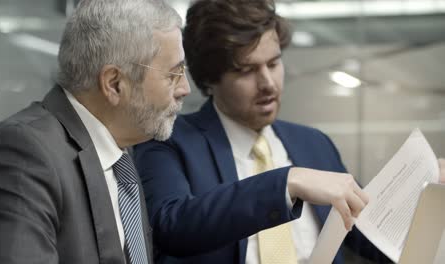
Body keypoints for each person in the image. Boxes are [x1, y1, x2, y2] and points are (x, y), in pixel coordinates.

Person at [134, 0, 445, 263]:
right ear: (210, 80)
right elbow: (172, 226)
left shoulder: (313, 144)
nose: (268, 83)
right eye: (246, 70)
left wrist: (429, 203)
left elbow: (374, 238)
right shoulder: (171, 141)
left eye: (274, 63)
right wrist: (286, 182)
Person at [0, 0, 189, 263]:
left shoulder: (120, 150)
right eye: (173, 74)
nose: (185, 89)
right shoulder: (23, 154)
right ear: (114, 84)